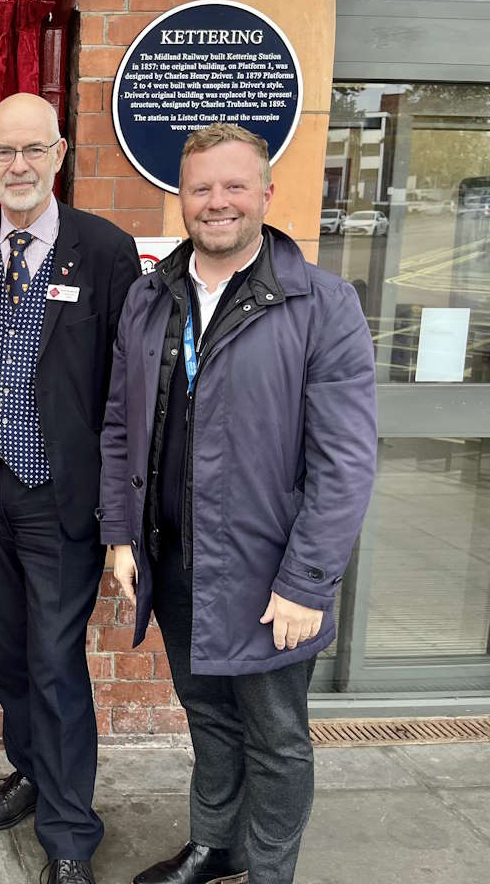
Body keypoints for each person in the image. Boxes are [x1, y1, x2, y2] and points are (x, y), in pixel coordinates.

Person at [99, 122, 377, 884]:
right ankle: (215, 845)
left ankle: (269, 872)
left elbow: (345, 461)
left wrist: (307, 581)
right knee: (209, 715)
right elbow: (121, 425)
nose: (216, 202)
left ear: (265, 194)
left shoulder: (321, 303)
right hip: (176, 559)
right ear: (180, 199)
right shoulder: (150, 296)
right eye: (200, 189)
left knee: (278, 737)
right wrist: (121, 536)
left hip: (269, 574)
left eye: (233, 186)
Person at [0, 92, 140, 884]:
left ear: (59, 155)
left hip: (64, 497)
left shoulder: (107, 251)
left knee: (55, 662)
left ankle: (71, 835)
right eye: (1, 153)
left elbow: (128, 389)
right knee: (9, 653)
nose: (17, 166)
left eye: (32, 150)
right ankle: (32, 771)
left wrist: (120, 508)